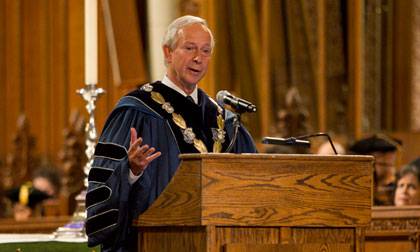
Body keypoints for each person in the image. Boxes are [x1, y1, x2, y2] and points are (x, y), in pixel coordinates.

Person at [86, 15, 257, 251]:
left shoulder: (224, 121)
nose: (198, 58)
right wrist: (131, 171)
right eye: (189, 48)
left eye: (205, 51)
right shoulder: (137, 110)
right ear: (168, 53)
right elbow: (102, 187)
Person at [349, 134, 401, 206]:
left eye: (392, 165)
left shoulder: (394, 193)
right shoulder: (354, 195)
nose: (391, 171)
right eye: (385, 164)